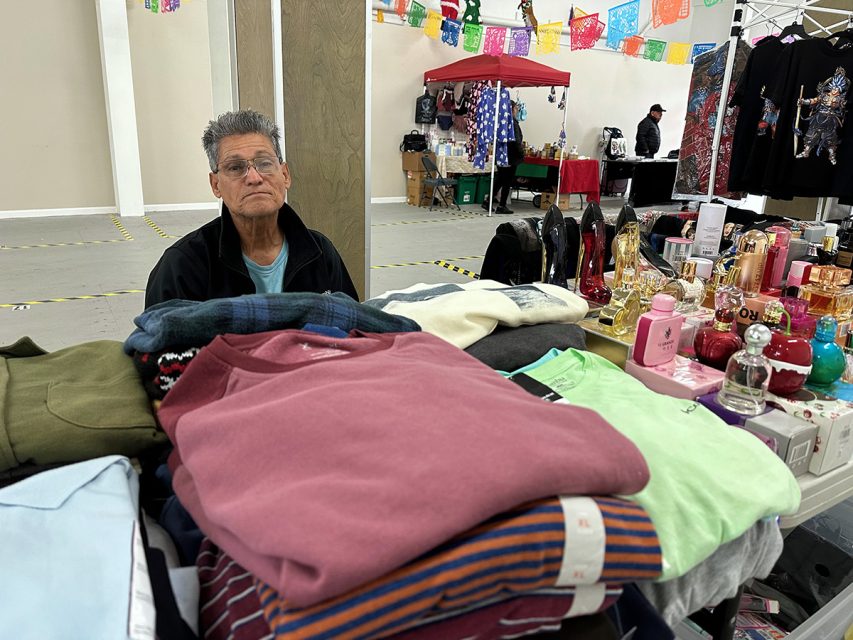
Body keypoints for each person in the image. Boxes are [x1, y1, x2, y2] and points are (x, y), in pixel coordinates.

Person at [145, 110, 358, 308]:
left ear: (285, 175)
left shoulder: (320, 253)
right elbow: (160, 345)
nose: (254, 178)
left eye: (264, 163)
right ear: (215, 185)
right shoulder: (182, 266)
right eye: (235, 167)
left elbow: (356, 334)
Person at [483, 101, 524, 214]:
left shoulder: (500, 121)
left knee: (500, 179)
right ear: (512, 109)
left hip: (500, 154)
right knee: (507, 181)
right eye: (516, 108)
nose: (517, 111)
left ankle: (488, 200)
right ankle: (502, 205)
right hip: (511, 155)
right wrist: (521, 153)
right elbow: (516, 141)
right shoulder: (513, 123)